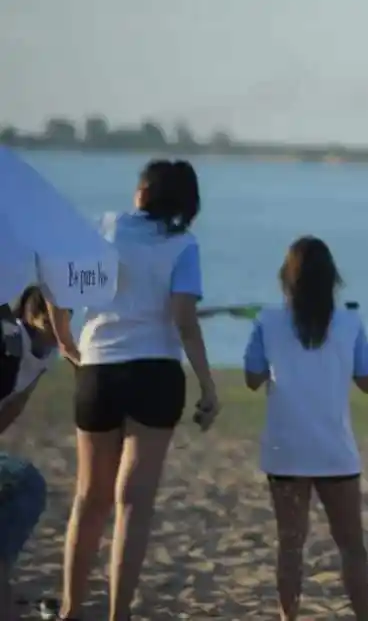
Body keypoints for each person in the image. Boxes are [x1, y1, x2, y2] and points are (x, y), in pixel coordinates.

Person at [60, 159, 220, 621]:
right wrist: (208, 385)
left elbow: (60, 286)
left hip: (99, 369)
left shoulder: (102, 227)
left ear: (143, 191)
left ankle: (72, 610)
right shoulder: (183, 245)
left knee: (89, 497)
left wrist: (65, 339)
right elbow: (184, 321)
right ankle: (118, 614)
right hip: (155, 371)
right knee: (132, 502)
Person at [242, 236, 368, 621]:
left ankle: (289, 617)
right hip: (335, 450)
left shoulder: (268, 321)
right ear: (332, 279)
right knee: (352, 546)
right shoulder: (350, 321)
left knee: (290, 545)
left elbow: (252, 378)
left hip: (287, 449)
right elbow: (367, 381)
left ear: (288, 278)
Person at [0, 286, 57, 621]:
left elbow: (14, 408)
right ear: (30, 316)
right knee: (26, 483)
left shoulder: (41, 355)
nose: (57, 325)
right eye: (49, 317)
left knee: (25, 482)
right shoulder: (9, 347)